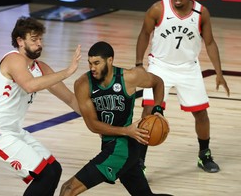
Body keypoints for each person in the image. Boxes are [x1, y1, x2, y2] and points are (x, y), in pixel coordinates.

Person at [0, 16, 81, 196]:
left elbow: (70, 99)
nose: (39, 44)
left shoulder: (41, 68)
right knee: (45, 175)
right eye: (34, 39)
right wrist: (68, 71)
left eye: (40, 39)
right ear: (20, 41)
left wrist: (97, 122)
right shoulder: (13, 60)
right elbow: (30, 85)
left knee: (54, 170)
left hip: (13, 131)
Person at [135, 0, 230, 173]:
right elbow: (144, 34)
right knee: (148, 113)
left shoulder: (201, 12)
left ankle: (204, 155)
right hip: (159, 66)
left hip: (188, 67)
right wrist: (138, 65)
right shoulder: (157, 9)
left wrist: (219, 72)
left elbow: (210, 43)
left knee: (201, 114)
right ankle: (139, 164)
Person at [60, 41, 172, 196]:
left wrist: (158, 110)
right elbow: (93, 125)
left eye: (97, 63)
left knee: (68, 189)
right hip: (113, 143)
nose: (92, 68)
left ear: (110, 60)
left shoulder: (130, 77)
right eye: (90, 63)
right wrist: (126, 130)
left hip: (121, 149)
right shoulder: (83, 84)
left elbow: (158, 83)